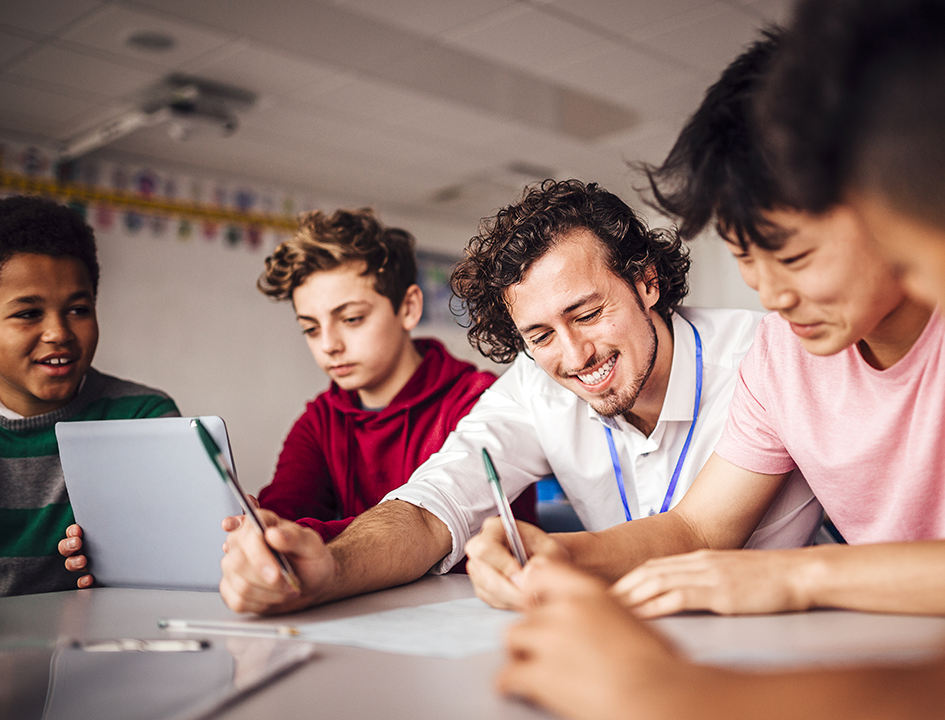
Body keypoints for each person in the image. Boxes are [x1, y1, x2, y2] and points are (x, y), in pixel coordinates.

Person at [496, 1, 945, 718]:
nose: (772, 296)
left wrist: (796, 585)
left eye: (796, 254)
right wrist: (567, 556)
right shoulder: (785, 351)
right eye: (744, 259)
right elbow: (697, 527)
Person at [217, 179, 823, 615]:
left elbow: (696, 532)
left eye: (587, 314)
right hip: (624, 648)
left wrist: (556, 554)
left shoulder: (763, 355)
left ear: (646, 281)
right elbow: (432, 506)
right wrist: (333, 567)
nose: (575, 355)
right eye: (539, 335)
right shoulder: (537, 383)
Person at [252, 208, 533, 545]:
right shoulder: (319, 421)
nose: (329, 345)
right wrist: (264, 532)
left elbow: (487, 541)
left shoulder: (479, 402)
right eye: (310, 329)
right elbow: (285, 515)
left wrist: (317, 543)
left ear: (409, 307)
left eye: (352, 319)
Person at [0, 195, 178, 597]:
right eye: (29, 313)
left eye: (78, 309)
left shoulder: (144, 419)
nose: (59, 332)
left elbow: (178, 555)